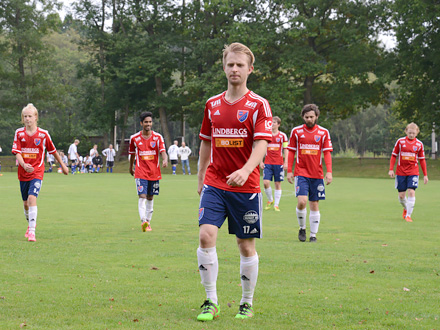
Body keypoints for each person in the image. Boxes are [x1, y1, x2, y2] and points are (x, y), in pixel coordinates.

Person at [196, 42, 272, 322]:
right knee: (206, 236)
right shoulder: (212, 105)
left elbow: (261, 144)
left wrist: (246, 169)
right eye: (230, 64)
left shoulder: (258, 105)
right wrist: (201, 174)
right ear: (224, 67)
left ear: (250, 69)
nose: (235, 69)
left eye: (240, 65)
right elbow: (205, 142)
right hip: (216, 183)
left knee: (245, 245)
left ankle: (246, 303)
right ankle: (210, 301)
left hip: (246, 186)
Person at [11, 103, 69, 242]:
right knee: (25, 203)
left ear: (35, 117)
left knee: (32, 198)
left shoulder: (43, 134)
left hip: (37, 172)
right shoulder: (19, 133)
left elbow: (53, 151)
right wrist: (24, 164)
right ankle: (30, 223)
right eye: (25, 116)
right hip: (23, 172)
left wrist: (63, 165)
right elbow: (17, 152)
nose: (27, 119)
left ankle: (32, 232)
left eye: (30, 116)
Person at [286, 104, 333, 243]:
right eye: (307, 117)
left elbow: (327, 153)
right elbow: (291, 151)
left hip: (317, 174)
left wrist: (329, 172)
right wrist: (289, 171)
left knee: (314, 204)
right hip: (301, 172)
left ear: (317, 116)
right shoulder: (296, 131)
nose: (309, 119)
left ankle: (313, 235)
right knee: (302, 201)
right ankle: (302, 228)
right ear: (303, 117)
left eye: (312, 117)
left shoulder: (323, 132)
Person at [129, 111, 168, 232]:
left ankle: (148, 222)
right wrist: (131, 167)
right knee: (142, 196)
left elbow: (163, 151)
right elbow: (132, 155)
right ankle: (143, 222)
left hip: (154, 172)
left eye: (150, 122)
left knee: (150, 197)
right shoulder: (134, 138)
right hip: (141, 172)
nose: (148, 124)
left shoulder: (158, 137)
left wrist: (165, 160)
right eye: (146, 122)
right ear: (141, 123)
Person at [388, 123, 428, 222]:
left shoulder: (419, 144)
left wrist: (425, 175)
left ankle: (408, 216)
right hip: (401, 172)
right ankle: (406, 208)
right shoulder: (400, 142)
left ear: (417, 133)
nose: (411, 135)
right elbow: (394, 155)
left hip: (413, 171)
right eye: (409, 133)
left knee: (411, 191)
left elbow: (422, 160)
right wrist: (391, 169)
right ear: (406, 131)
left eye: (413, 133)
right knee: (401, 196)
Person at [260, 116, 288, 211]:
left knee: (277, 183)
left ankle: (276, 204)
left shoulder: (283, 136)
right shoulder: (266, 135)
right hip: (268, 163)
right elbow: (262, 149)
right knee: (265, 182)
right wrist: (260, 161)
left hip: (278, 163)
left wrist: (286, 162)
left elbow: (286, 149)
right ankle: (270, 200)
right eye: (271, 122)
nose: (272, 124)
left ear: (278, 124)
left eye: (274, 122)